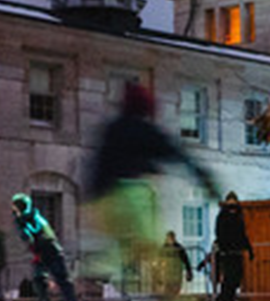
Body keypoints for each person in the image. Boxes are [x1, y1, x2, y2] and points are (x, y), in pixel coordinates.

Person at [84, 83, 219, 292]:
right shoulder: (145, 131)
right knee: (151, 239)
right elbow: (176, 153)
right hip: (133, 193)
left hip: (107, 198)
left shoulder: (112, 129)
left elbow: (98, 163)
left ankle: (100, 266)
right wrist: (204, 178)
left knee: (120, 242)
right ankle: (113, 267)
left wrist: (92, 199)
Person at [11, 194, 76, 301]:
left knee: (62, 280)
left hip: (51, 252)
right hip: (41, 253)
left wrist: (20, 224)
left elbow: (32, 233)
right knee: (39, 279)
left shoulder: (34, 218)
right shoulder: (29, 217)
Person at [199, 193, 251, 301]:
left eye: (234, 202)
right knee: (229, 281)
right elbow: (220, 232)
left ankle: (226, 298)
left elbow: (242, 233)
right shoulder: (223, 215)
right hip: (227, 252)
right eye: (230, 202)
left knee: (235, 281)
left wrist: (249, 248)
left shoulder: (239, 215)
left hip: (236, 251)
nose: (232, 206)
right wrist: (224, 245)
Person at [156, 232, 191, 299]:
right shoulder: (164, 248)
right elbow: (159, 262)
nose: (170, 240)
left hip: (176, 272)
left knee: (175, 289)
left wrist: (189, 271)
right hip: (168, 272)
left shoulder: (179, 248)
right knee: (168, 289)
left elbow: (186, 260)